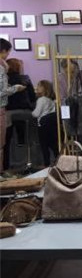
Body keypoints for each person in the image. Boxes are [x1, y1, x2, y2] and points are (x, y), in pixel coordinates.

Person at [0, 39, 26, 180]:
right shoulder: (1, 68)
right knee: (1, 143)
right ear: (3, 51)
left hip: (6, 110)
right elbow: (2, 91)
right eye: (8, 52)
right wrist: (16, 88)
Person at [3, 58, 35, 171]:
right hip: (24, 113)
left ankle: (6, 166)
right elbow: (32, 97)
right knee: (27, 137)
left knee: (6, 142)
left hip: (7, 113)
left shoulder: (4, 80)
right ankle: (27, 162)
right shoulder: (25, 78)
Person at [32, 80, 58, 166]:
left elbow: (36, 113)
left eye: (39, 85)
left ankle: (46, 164)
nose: (37, 87)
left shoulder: (41, 100)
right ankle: (59, 162)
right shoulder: (51, 100)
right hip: (52, 125)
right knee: (53, 145)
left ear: (45, 88)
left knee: (44, 146)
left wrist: (31, 113)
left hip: (42, 125)